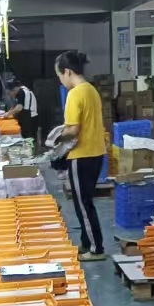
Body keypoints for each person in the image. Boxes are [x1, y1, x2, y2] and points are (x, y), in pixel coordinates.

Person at [55, 51, 106, 261]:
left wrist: (56, 136)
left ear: (67, 72)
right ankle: (87, 243)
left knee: (83, 204)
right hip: (96, 153)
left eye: (60, 75)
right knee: (84, 201)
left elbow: (73, 129)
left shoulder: (75, 94)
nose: (61, 80)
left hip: (82, 154)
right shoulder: (91, 90)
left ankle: (96, 249)